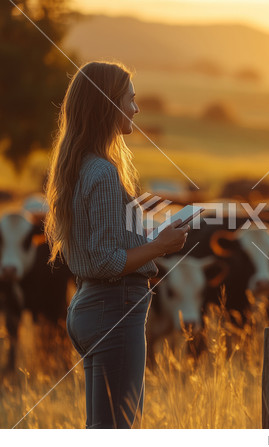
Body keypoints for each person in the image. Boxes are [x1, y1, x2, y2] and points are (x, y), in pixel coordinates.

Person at [44, 60, 190, 428]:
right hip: (115, 305)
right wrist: (161, 244)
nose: (137, 109)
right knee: (119, 429)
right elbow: (108, 260)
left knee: (102, 428)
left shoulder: (78, 166)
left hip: (89, 306)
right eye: (130, 99)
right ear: (109, 104)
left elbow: (98, 253)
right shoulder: (104, 172)